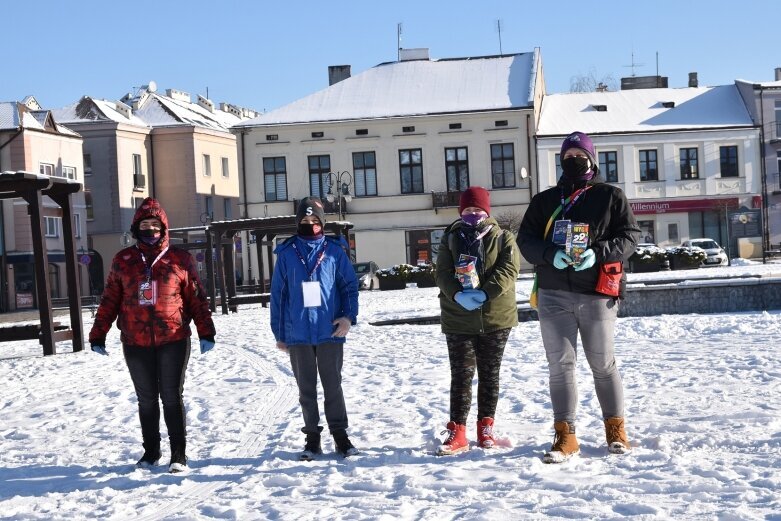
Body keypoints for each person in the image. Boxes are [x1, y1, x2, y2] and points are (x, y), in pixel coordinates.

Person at [517, 131, 640, 463]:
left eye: (579, 155)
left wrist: (597, 253)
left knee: (602, 363)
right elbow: (525, 240)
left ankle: (616, 430)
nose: (573, 161)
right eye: (568, 156)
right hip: (554, 292)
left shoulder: (610, 197)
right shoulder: (545, 201)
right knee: (560, 366)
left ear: (592, 159)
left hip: (596, 293)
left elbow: (630, 236)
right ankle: (565, 435)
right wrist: (548, 255)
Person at [89, 197, 215, 473]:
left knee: (171, 396)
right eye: (145, 224)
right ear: (136, 228)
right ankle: (151, 451)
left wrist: (206, 331)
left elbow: (195, 298)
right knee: (146, 398)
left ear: (164, 228)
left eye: (155, 224)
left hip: (173, 338)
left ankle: (178, 454)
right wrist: (98, 333)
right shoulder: (123, 260)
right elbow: (110, 298)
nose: (150, 229)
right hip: (135, 341)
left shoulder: (179, 259)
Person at [271, 197, 360, 461]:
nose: (310, 225)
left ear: (322, 223)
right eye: (304, 221)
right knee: (306, 390)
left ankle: (340, 436)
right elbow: (278, 295)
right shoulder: (287, 254)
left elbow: (349, 288)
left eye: (314, 221)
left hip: (330, 331)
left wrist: (347, 318)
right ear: (297, 223)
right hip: (298, 334)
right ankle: (312, 438)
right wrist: (280, 333)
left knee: (333, 386)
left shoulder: (334, 252)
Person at [435, 186, 521, 455]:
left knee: (489, 375)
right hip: (459, 317)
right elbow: (442, 273)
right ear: (461, 212)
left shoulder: (503, 236)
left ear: (487, 211)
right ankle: (458, 430)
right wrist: (457, 294)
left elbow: (509, 269)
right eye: (468, 210)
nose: (473, 214)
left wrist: (486, 292)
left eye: (478, 209)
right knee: (460, 376)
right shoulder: (450, 238)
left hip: (495, 317)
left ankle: (485, 427)